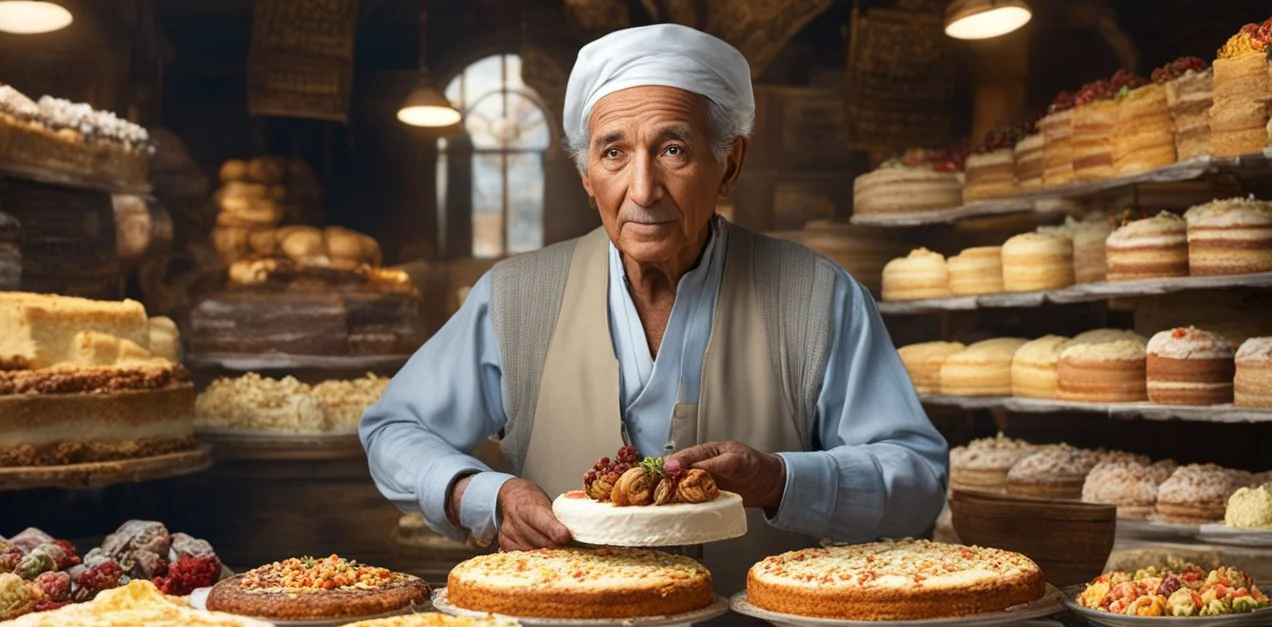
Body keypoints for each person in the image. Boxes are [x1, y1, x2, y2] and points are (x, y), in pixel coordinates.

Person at [361, 23, 948, 592]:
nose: (642, 189)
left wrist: (781, 480)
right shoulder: (515, 298)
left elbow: (919, 477)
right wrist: (482, 497)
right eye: (613, 153)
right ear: (587, 176)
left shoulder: (820, 297)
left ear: (730, 164)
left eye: (672, 149)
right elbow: (394, 430)